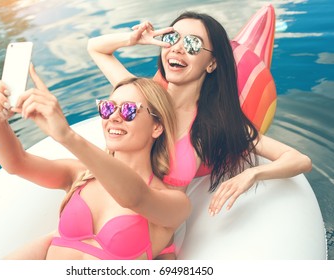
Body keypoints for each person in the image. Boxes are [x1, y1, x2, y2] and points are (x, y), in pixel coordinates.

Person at [87, 11, 312, 257]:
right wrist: (135, 40)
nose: (178, 49)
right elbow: (95, 48)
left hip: (152, 245)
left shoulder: (213, 125)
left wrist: (252, 174)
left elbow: (299, 160)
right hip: (98, 222)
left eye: (193, 44)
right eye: (173, 39)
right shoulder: (141, 100)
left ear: (212, 63)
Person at [0, 64, 191, 260]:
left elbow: (135, 198)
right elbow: (16, 163)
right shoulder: (80, 174)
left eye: (129, 110)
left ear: (157, 126)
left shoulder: (173, 202)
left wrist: (67, 136)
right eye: (108, 108)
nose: (114, 117)